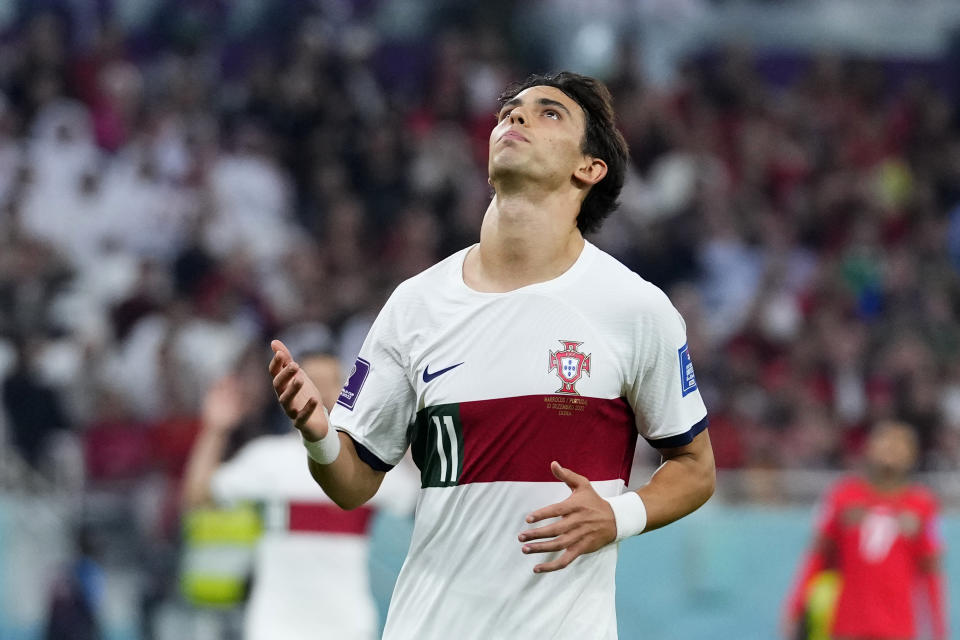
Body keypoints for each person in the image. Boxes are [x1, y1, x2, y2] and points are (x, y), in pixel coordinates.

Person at [269, 71, 716, 639]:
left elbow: (696, 469)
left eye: (549, 112)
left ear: (589, 167)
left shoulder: (634, 308)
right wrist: (318, 435)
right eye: (510, 110)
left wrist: (617, 515)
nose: (516, 117)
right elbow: (353, 482)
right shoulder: (416, 304)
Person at [182, 350, 418, 640]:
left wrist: (404, 425)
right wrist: (215, 429)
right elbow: (198, 496)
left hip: (348, 627)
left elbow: (425, 506)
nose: (319, 391)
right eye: (310, 380)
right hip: (275, 628)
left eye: (331, 382)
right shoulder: (268, 459)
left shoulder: (370, 464)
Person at [784, 420, 949, 640]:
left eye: (900, 444)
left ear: (912, 455)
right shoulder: (843, 497)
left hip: (897, 629)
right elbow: (818, 557)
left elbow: (932, 572)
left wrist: (939, 630)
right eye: (884, 441)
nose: (891, 448)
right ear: (869, 448)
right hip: (847, 626)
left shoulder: (923, 507)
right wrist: (795, 607)